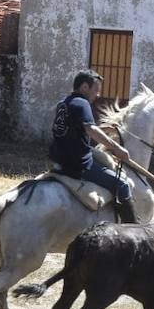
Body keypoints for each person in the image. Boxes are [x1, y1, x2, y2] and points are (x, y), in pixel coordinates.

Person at [48, 70, 137, 223]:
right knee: (122, 185)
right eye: (95, 90)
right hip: (78, 165)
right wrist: (117, 148)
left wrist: (105, 129)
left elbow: (80, 129)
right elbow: (90, 129)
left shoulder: (64, 103)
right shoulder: (82, 103)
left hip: (58, 159)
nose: (97, 94)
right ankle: (133, 229)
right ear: (84, 87)